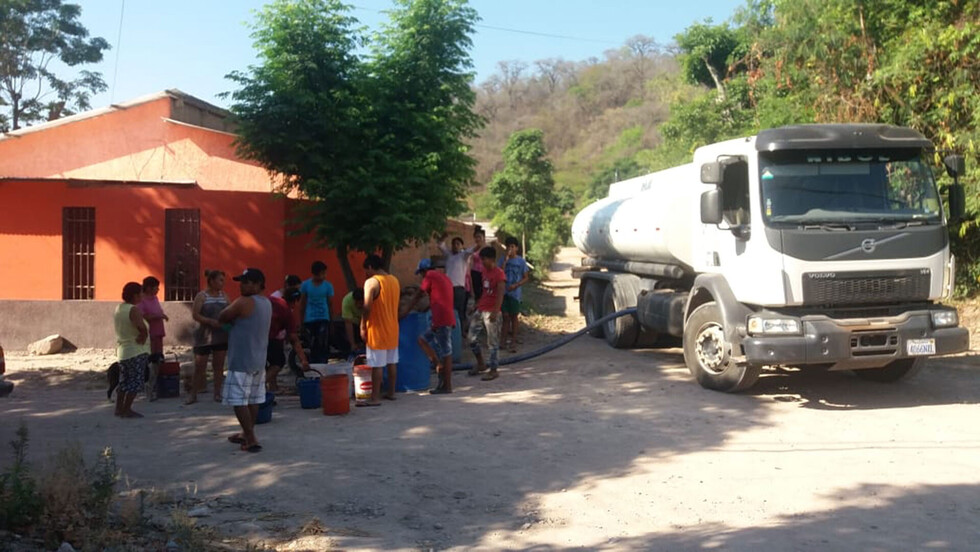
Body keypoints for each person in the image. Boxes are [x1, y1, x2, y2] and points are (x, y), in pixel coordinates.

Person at [220, 268, 273, 453]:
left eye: (246, 282)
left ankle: (250, 438)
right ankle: (246, 432)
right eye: (241, 281)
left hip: (242, 359)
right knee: (253, 399)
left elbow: (223, 316)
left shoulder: (244, 302)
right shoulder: (266, 303)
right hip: (259, 359)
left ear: (258, 284)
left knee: (239, 400)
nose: (242, 285)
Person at [404, 259, 456, 394]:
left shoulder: (430, 276)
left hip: (441, 320)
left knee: (446, 352)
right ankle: (438, 364)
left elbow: (418, 295)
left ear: (424, 271)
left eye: (421, 274)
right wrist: (427, 308)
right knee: (423, 340)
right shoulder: (444, 277)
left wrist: (405, 311)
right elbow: (439, 298)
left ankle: (447, 385)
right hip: (446, 317)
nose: (421, 277)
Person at [359, 254, 400, 406]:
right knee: (391, 363)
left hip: (377, 329)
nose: (366, 273)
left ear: (370, 267)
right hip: (392, 328)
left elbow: (367, 306)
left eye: (366, 270)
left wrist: (363, 324)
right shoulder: (394, 280)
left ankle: (375, 398)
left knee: (376, 365)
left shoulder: (372, 282)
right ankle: (391, 393)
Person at [189, 269, 229, 404]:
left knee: (219, 366)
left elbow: (229, 310)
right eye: (220, 280)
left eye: (223, 280)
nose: (222, 283)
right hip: (204, 336)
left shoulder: (224, 296)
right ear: (211, 281)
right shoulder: (202, 296)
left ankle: (217, 393)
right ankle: (193, 394)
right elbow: (195, 314)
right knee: (200, 366)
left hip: (221, 335)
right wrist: (209, 321)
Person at [468, 246, 507, 381]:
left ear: (491, 259)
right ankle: (481, 363)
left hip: (492, 311)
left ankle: (494, 369)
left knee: (492, 342)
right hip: (481, 309)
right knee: (471, 338)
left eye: (484, 259)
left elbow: (501, 293)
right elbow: (484, 292)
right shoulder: (484, 271)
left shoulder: (499, 274)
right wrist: (476, 305)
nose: (482, 262)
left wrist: (496, 311)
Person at [114, 282, 150, 418]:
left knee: (124, 381)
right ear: (135, 295)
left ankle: (119, 408)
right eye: (141, 293)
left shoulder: (119, 308)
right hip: (136, 351)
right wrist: (144, 335)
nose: (142, 296)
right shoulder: (133, 309)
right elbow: (141, 327)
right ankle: (127, 409)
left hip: (123, 351)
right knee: (135, 381)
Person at [266, 288, 309, 393]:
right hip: (270, 338)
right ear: (294, 301)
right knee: (278, 362)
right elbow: (294, 339)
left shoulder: (271, 300)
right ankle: (258, 386)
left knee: (265, 365)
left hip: (255, 337)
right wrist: (303, 360)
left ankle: (271, 388)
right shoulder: (286, 310)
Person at [139, 276, 168, 400]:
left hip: (158, 331)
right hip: (149, 333)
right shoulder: (141, 300)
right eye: (156, 288)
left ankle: (156, 383)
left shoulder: (155, 298)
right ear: (149, 288)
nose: (158, 290)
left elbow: (158, 312)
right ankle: (147, 384)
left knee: (158, 358)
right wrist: (157, 316)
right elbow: (143, 316)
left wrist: (162, 315)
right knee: (150, 360)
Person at [499, 237, 530, 353]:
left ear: (516, 248)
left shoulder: (521, 261)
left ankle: (513, 341)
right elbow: (499, 273)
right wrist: (505, 261)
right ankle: (503, 340)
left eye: (513, 246)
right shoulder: (502, 260)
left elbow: (526, 277)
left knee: (514, 317)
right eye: (508, 247)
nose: (510, 249)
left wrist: (516, 285)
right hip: (504, 292)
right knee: (505, 316)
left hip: (515, 293)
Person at [300, 261, 335, 363]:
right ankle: (313, 366)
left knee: (322, 344)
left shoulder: (328, 286)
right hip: (309, 319)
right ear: (315, 273)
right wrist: (301, 322)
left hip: (323, 318)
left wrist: (331, 322)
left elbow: (330, 304)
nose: (324, 275)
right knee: (312, 344)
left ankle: (323, 364)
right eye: (322, 273)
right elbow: (302, 304)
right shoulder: (305, 285)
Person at [439, 235, 474, 333]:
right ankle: (450, 331)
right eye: (453, 244)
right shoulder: (448, 255)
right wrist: (444, 235)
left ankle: (461, 331)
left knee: (459, 311)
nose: (455, 246)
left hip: (459, 288)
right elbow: (440, 244)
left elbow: (473, 249)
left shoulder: (463, 256)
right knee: (448, 310)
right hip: (447, 288)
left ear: (462, 246)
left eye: (458, 244)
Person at [342, 288, 365, 356]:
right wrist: (352, 344)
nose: (359, 306)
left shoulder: (371, 301)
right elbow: (348, 323)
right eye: (357, 303)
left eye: (361, 303)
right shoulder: (347, 301)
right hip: (354, 323)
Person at [467, 227, 488, 302]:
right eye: (476, 237)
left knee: (485, 292)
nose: (477, 239)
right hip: (475, 272)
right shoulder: (473, 249)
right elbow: (470, 260)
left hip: (485, 273)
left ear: (483, 237)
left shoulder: (487, 248)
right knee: (477, 294)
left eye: (479, 237)